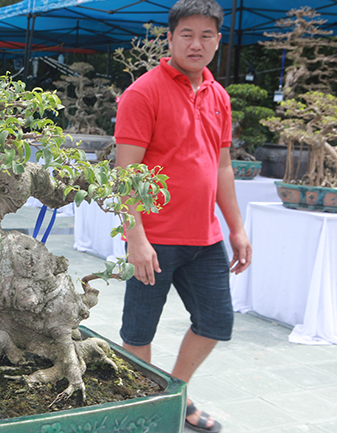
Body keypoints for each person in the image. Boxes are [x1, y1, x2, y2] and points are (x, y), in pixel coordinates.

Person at [114, 0, 252, 432]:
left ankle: (174, 392)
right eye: (187, 34)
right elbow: (126, 173)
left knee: (215, 322)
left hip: (206, 239)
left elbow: (222, 165)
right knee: (138, 334)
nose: (197, 43)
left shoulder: (219, 95)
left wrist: (237, 227)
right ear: (170, 38)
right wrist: (135, 237)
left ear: (217, 41)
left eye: (206, 35)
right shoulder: (143, 93)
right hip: (154, 238)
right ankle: (141, 409)